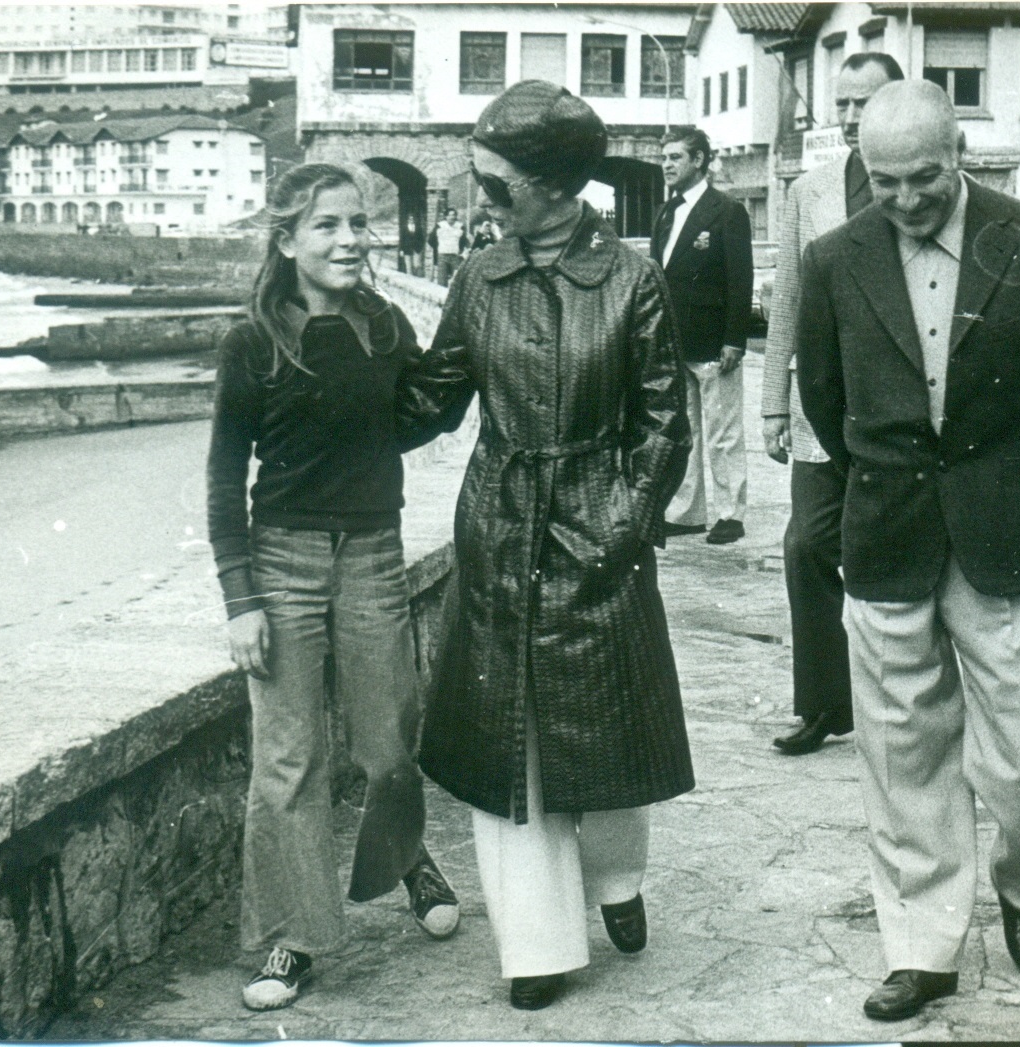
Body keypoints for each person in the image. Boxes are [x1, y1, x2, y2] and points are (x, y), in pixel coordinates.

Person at [795, 81, 1020, 1022]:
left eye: (923, 176)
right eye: (883, 181)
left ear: (959, 150)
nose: (905, 199)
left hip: (1009, 528)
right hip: (887, 529)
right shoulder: (833, 259)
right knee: (899, 750)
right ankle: (921, 945)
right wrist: (885, 478)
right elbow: (824, 394)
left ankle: (1018, 880)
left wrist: (1006, 475)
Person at [398, 80, 694, 1012]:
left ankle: (616, 879)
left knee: (605, 739)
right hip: (497, 526)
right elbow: (430, 398)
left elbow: (662, 422)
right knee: (506, 748)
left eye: (495, 187)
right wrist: (336, 366)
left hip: (596, 527)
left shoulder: (632, 280)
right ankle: (535, 946)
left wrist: (623, 524)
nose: (481, 204)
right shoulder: (477, 280)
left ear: (556, 186)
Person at [207, 162, 461, 1013]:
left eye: (360, 223)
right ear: (286, 241)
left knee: (388, 742)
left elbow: (416, 409)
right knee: (288, 760)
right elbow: (221, 477)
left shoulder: (383, 327)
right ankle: (291, 935)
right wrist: (239, 597)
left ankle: (403, 857)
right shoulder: (252, 341)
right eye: (329, 226)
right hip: (279, 562)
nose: (352, 239)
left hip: (373, 555)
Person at [762, 50, 903, 758]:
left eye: (865, 102)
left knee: (894, 553)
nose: (850, 117)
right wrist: (771, 407)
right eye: (842, 103)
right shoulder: (808, 191)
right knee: (805, 544)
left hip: (899, 412)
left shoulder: (919, 188)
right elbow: (785, 298)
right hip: (821, 408)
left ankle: (901, 706)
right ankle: (822, 703)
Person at [651, 127, 754, 545]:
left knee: (723, 432)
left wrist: (735, 339)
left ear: (699, 160)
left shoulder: (726, 210)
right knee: (684, 431)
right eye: (665, 157)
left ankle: (730, 514)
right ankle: (686, 512)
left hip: (714, 344)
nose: (667, 165)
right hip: (675, 341)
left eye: (675, 157)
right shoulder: (665, 212)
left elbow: (740, 278)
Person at [429, 206, 470, 287]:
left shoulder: (460, 226)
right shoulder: (440, 226)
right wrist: (439, 247)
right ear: (446, 216)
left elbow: (464, 240)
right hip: (442, 256)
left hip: (455, 256)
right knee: (441, 280)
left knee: (457, 279)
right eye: (449, 215)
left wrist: (461, 250)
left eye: (453, 215)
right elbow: (431, 240)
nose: (452, 217)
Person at [398, 211, 425, 276]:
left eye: (412, 219)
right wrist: (401, 250)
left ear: (414, 220)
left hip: (416, 249)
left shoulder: (418, 228)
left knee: (416, 265)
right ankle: (410, 279)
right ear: (408, 220)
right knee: (408, 267)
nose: (411, 220)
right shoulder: (404, 228)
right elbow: (402, 240)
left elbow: (422, 239)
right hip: (407, 249)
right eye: (410, 219)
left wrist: (420, 248)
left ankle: (415, 277)